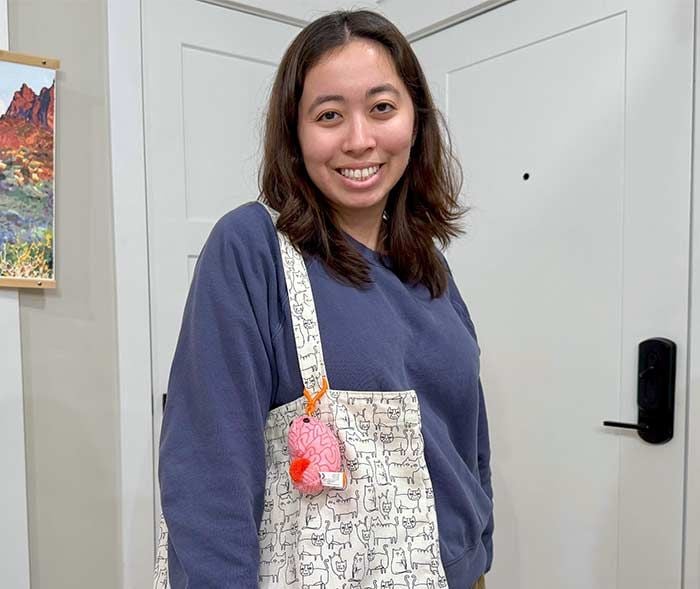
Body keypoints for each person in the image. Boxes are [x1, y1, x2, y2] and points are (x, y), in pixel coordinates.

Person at [158, 9, 493, 589]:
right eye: (329, 115)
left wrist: (479, 549)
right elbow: (208, 471)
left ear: (416, 119)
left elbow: (466, 437)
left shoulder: (428, 265)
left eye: (382, 108)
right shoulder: (252, 248)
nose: (359, 139)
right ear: (294, 132)